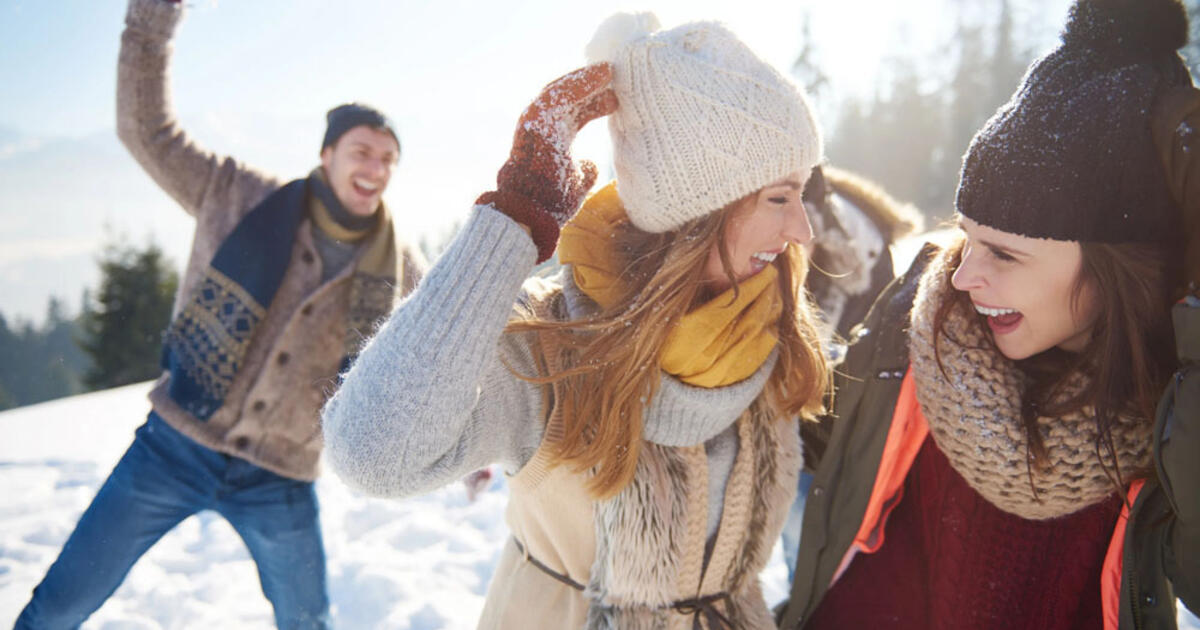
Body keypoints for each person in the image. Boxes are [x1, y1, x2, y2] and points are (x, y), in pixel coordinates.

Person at [322, 12, 827, 629]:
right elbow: (373, 454)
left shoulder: (777, 327)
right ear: (696, 212)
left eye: (803, 192)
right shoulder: (551, 342)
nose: (802, 229)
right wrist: (514, 218)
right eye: (779, 197)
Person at [779, 0, 1200, 628]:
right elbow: (820, 429)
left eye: (1005, 253)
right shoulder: (925, 332)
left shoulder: (1171, 422)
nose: (964, 276)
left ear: (1120, 274)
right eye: (967, 238)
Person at [14, 0, 424, 627]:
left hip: (281, 476)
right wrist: (151, 21)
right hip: (175, 444)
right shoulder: (235, 195)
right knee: (61, 602)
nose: (376, 169)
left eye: (388, 159)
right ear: (327, 155)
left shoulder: (401, 269)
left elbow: (441, 353)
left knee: (308, 622)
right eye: (363, 151)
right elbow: (145, 129)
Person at [780, 164, 923, 576]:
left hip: (836, 431)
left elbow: (876, 360)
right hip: (787, 420)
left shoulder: (860, 259)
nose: (786, 241)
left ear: (815, 221)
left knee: (809, 534)